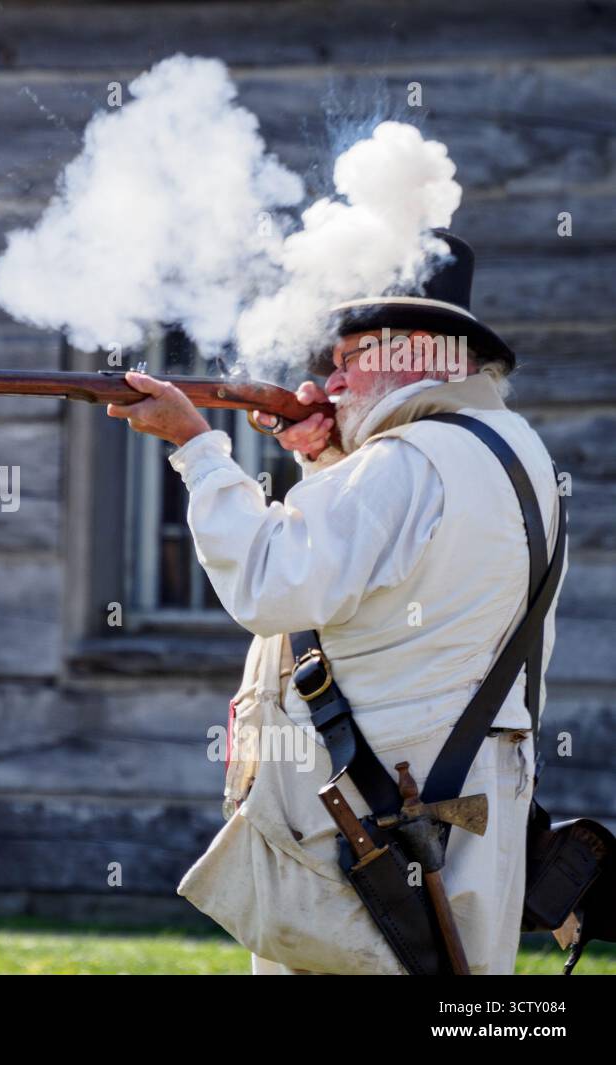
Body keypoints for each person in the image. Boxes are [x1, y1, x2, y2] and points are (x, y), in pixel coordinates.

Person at [107, 232, 565, 974]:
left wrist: (197, 450)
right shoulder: (510, 446)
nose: (332, 376)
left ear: (413, 350)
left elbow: (271, 584)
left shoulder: (401, 463)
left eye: (349, 357)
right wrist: (326, 457)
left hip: (375, 813)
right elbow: (391, 568)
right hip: (462, 796)